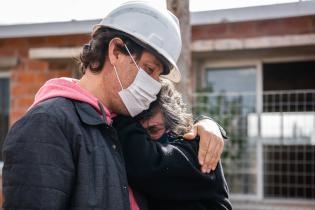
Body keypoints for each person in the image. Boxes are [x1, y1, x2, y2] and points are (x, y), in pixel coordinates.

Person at [2, 2, 224, 210]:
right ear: (116, 51)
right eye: (149, 69)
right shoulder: (48, 124)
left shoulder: (119, 123)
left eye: (159, 75)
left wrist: (207, 125)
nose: (155, 85)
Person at [114, 80, 232, 210]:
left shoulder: (198, 150)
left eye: (153, 130)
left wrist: (120, 113)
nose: (143, 140)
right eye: (139, 131)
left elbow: (147, 164)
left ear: (173, 127)